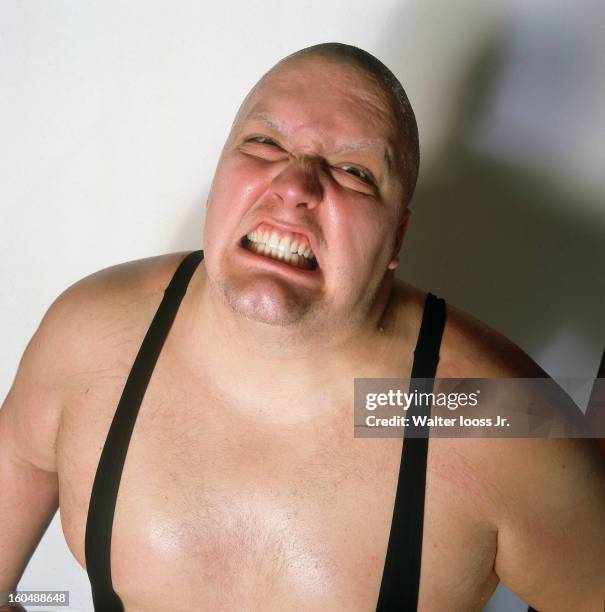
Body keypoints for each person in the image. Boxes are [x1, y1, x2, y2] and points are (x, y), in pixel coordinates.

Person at [1, 43, 604, 612]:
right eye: (264, 143)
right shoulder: (91, 340)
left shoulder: (476, 414)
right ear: (219, 178)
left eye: (353, 171)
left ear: (396, 237)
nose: (294, 186)